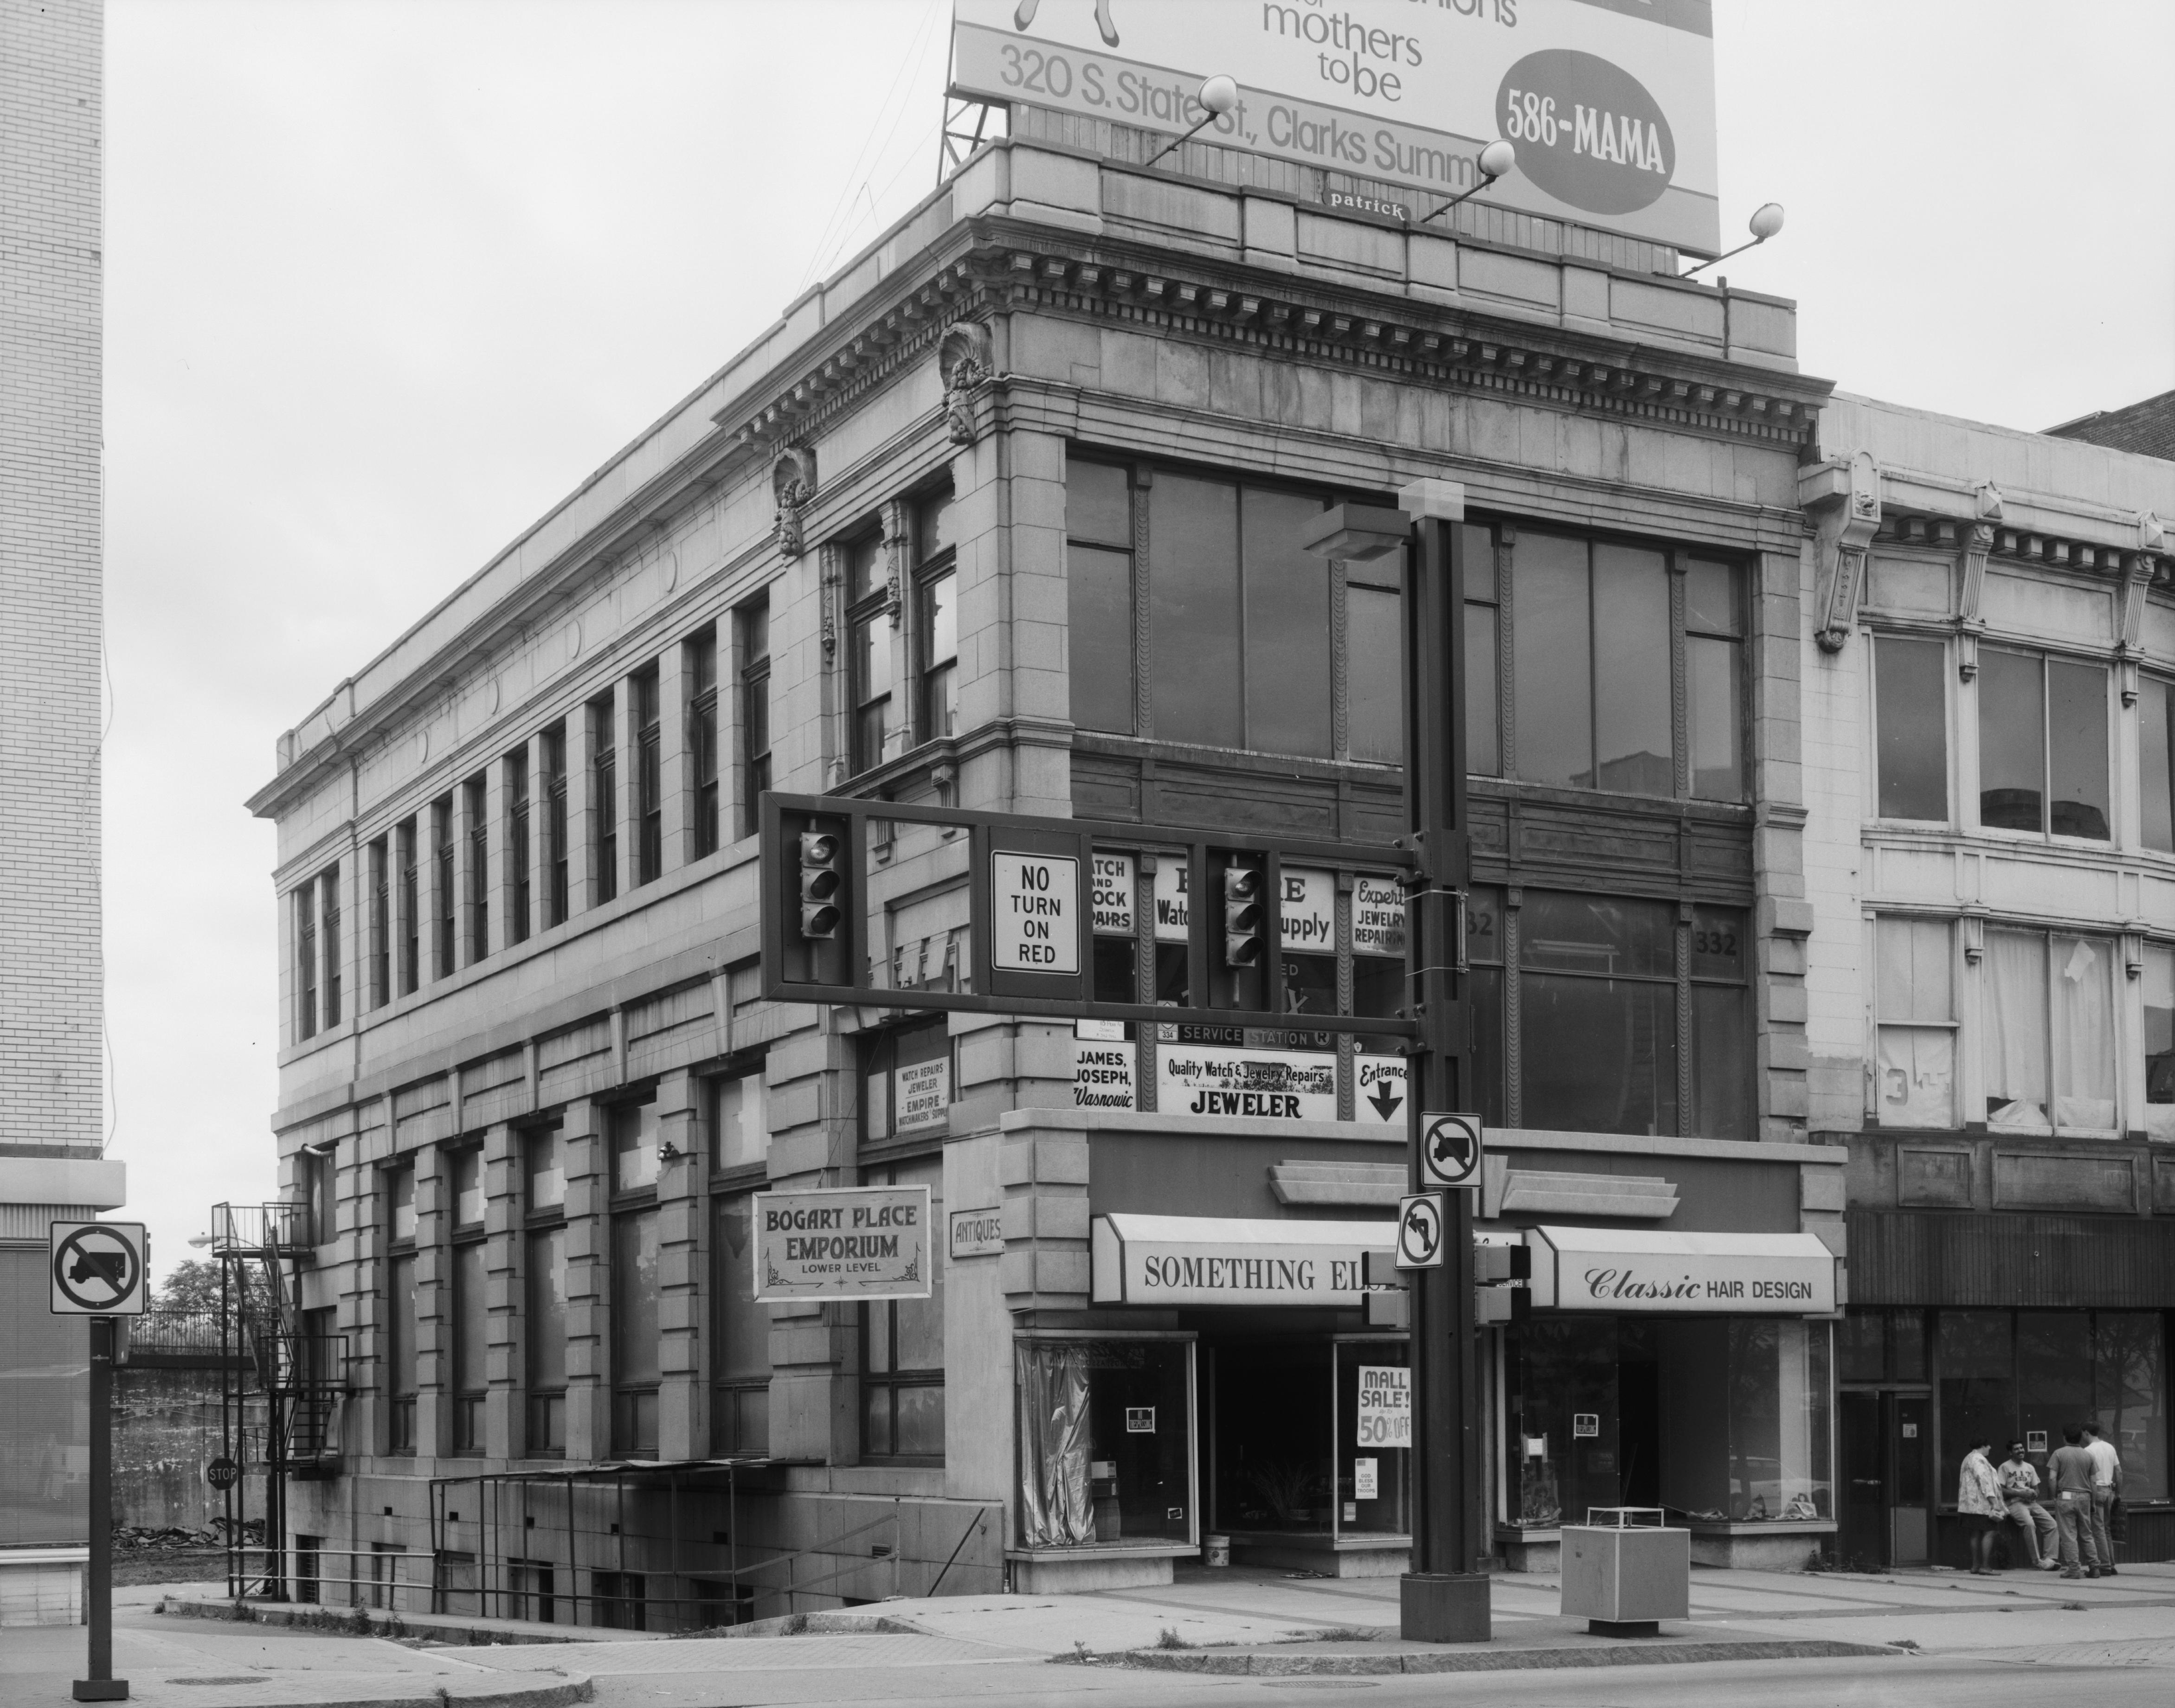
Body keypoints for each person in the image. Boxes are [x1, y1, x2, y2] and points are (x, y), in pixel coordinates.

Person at [2047, 1425, 2103, 1579]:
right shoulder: (2088, 1455)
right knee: (2087, 1534)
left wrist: (2054, 1496)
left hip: (2065, 1496)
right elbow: (2094, 1482)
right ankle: (2095, 1567)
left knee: (2068, 1535)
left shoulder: (2059, 1454)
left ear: (2065, 1438)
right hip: (2085, 1497)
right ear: (2080, 1438)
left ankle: (2074, 1569)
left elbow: (2052, 1478)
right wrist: (2093, 1502)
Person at [1997, 1441, 2059, 1571]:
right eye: (2016, 1449)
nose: (2021, 1451)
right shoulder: (2005, 1467)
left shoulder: (2029, 1467)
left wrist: (2034, 1494)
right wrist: (2020, 1493)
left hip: (2031, 1502)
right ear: (2010, 1452)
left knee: (2052, 1525)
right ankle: (2037, 1561)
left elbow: (2036, 1489)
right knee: (2030, 1525)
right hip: (2014, 1502)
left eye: (2022, 1448)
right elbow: (2000, 1491)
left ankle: (2050, 1560)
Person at [1957, 1436, 2005, 1574]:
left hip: (1970, 1505)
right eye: (1989, 1446)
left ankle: (1975, 1566)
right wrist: (1994, 1502)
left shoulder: (1968, 1458)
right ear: (1983, 1446)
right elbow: (1984, 1480)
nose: (1990, 1448)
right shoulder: (1979, 1459)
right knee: (1990, 1532)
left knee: (1975, 1533)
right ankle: (1985, 1566)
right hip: (1981, 1504)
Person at [2083, 1423, 2122, 1575]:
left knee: (2098, 1529)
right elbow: (2119, 1471)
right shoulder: (2110, 1447)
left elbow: (2089, 1477)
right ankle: (2111, 1564)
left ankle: (2104, 1565)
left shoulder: (2088, 1451)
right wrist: (2118, 1493)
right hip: (2109, 1490)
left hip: (2096, 1490)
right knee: (2106, 1529)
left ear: (2086, 1433)